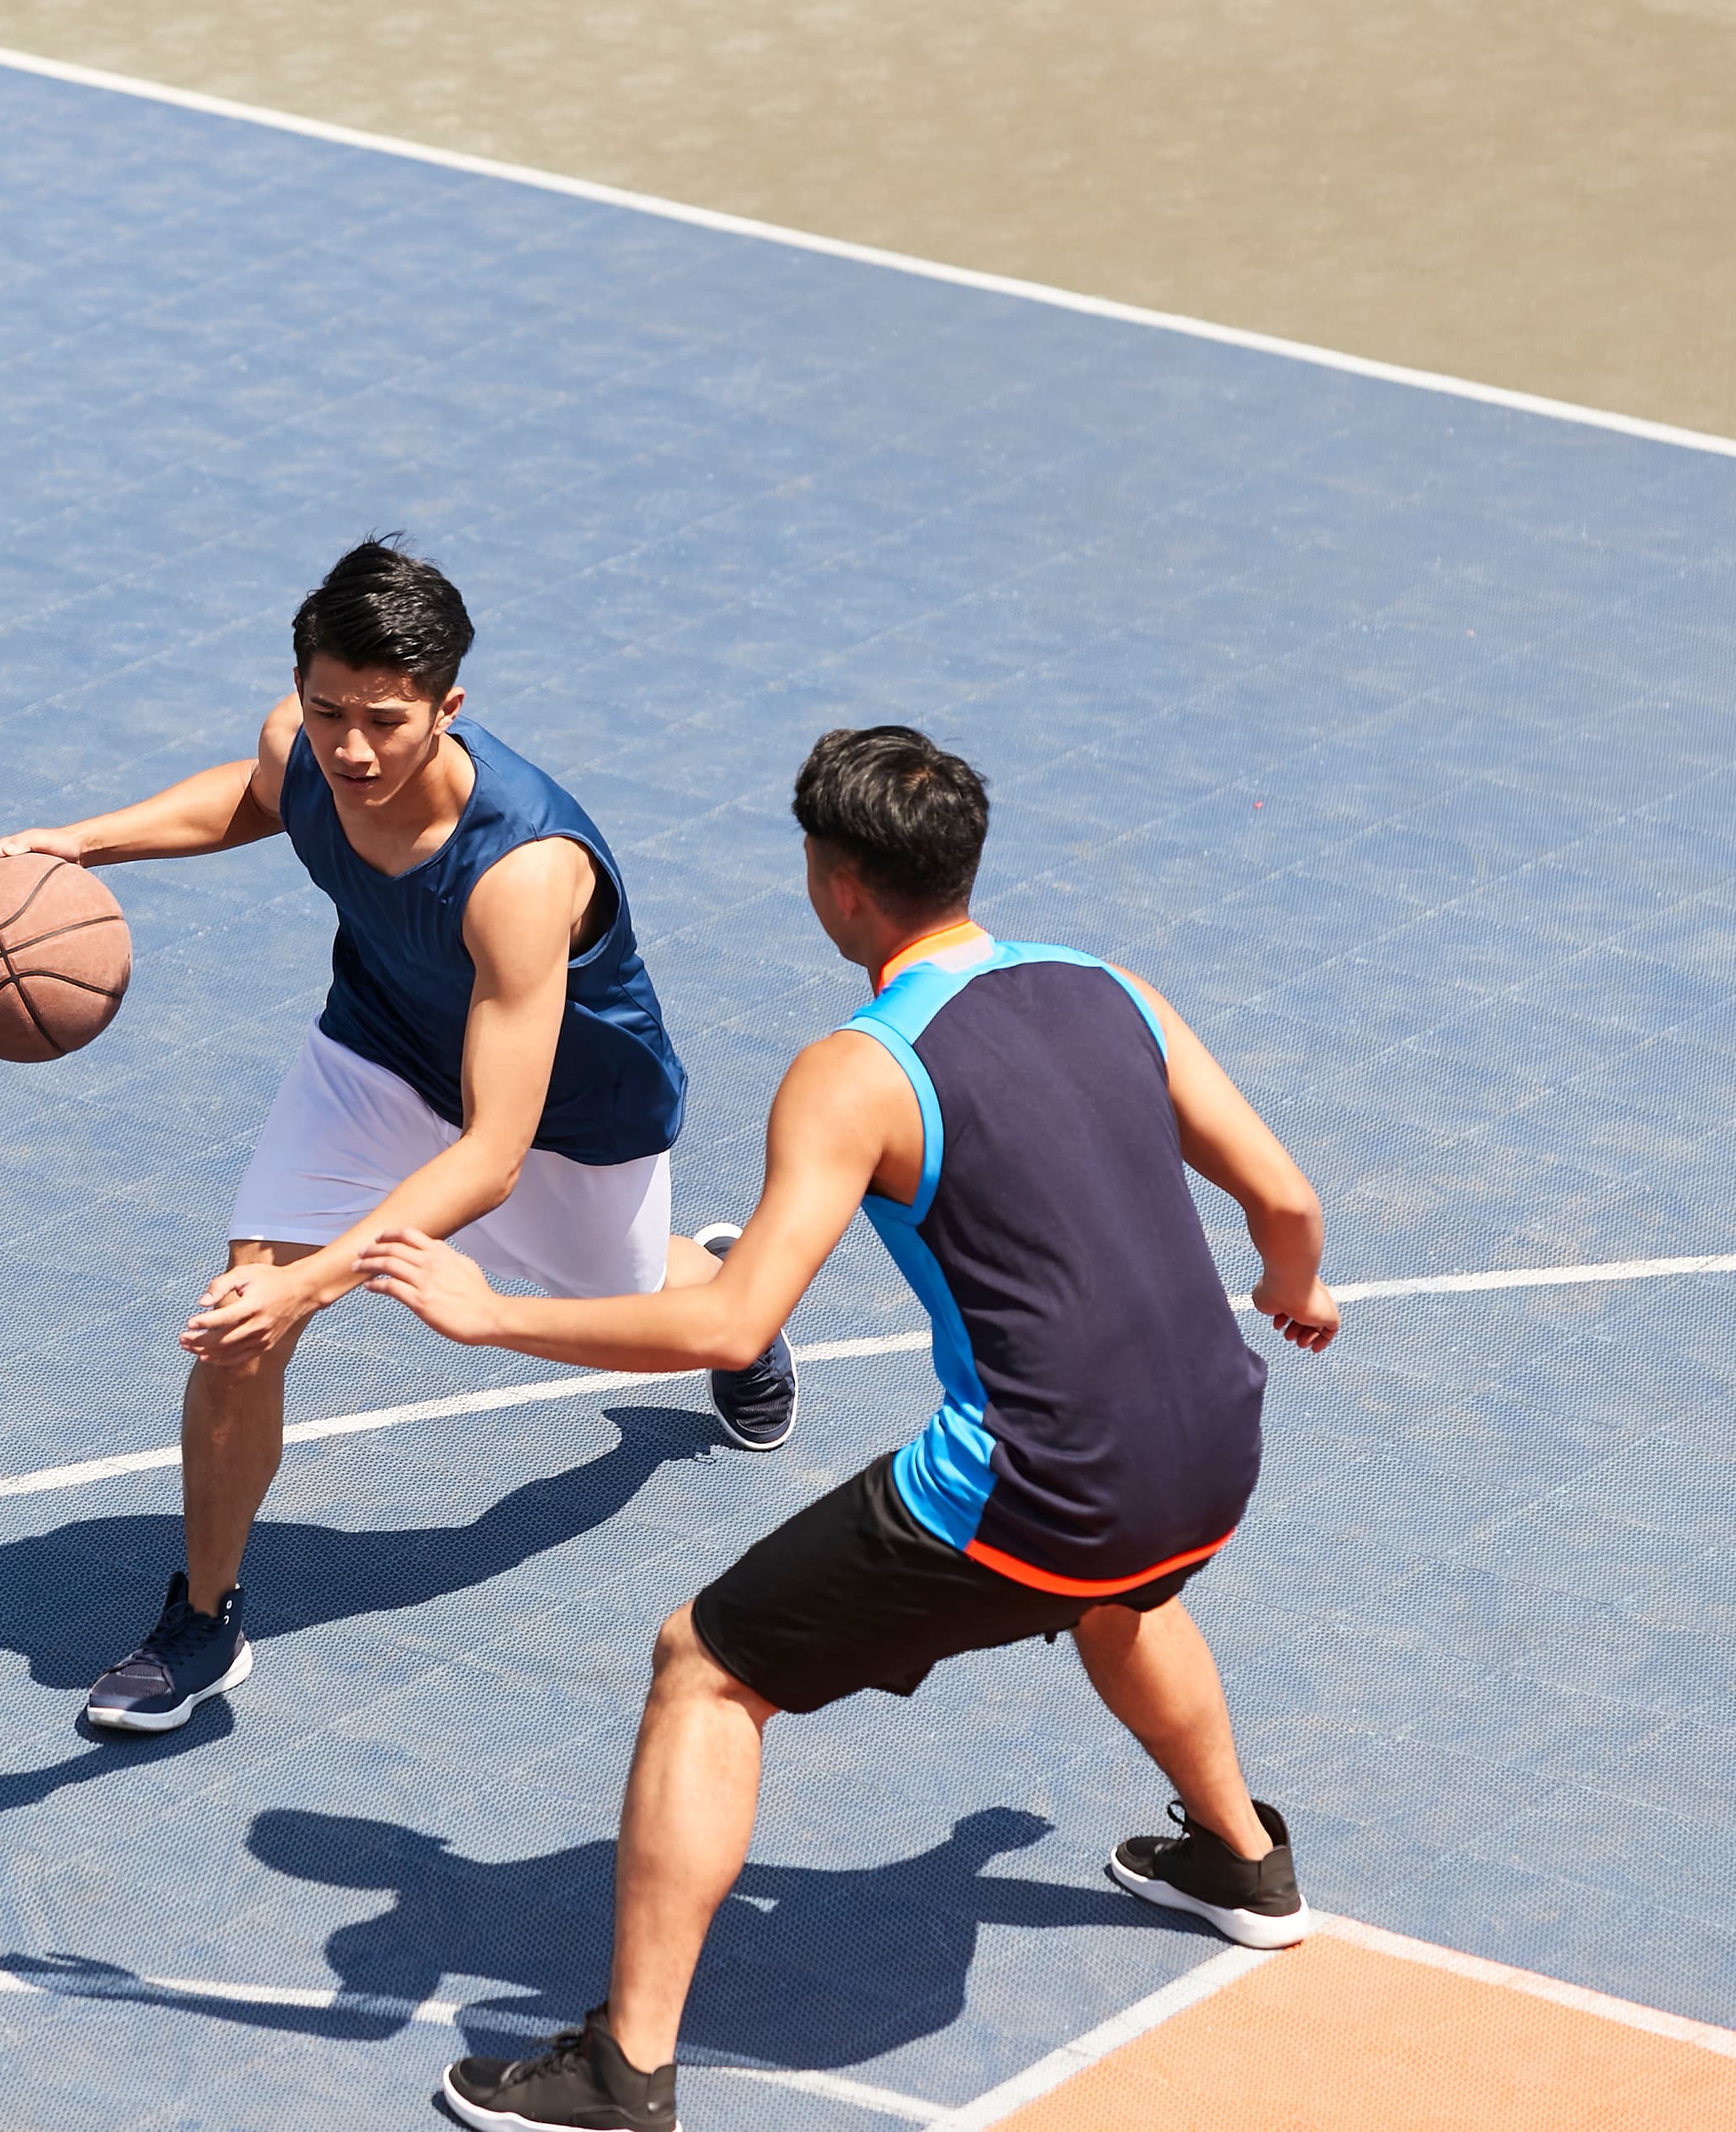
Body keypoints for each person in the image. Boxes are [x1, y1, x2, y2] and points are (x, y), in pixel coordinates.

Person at [357, 725, 1338, 2132]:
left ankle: (624, 2071)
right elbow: (1287, 1205)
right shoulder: (1110, 987)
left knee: (703, 1663)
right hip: (1212, 1451)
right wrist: (1293, 1295)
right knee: (1124, 1588)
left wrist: (484, 1312)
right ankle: (1242, 1861)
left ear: (838, 885)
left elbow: (728, 1327)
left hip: (1043, 1486)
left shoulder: (859, 1070)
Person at [0, 539, 797, 1737]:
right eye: (327, 708)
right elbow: (263, 791)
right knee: (242, 1326)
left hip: (567, 1118)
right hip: (379, 1051)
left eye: (386, 721)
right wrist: (75, 844)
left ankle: (725, 1297)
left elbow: (495, 1153)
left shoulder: (521, 869)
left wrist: (329, 1279)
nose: (350, 748)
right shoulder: (308, 748)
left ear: (449, 709)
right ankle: (203, 1616)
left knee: (639, 1310)